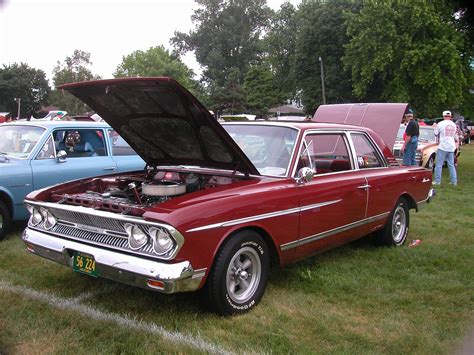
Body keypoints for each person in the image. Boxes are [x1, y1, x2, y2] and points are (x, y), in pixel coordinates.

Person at [433, 111, 458, 186]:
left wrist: (434, 127)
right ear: (450, 116)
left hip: (443, 146)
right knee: (451, 164)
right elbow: (455, 136)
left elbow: (436, 133)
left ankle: (437, 181)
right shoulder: (453, 124)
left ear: (443, 116)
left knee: (439, 164)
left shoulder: (440, 124)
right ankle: (454, 181)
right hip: (451, 147)